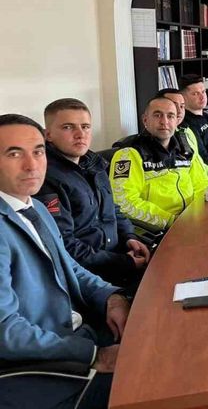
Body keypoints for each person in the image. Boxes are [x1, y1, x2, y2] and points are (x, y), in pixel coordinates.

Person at [0, 114, 130, 409]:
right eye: (14, 154)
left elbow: (68, 266)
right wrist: (92, 354)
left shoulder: (34, 207)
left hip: (79, 334)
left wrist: (111, 296)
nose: (32, 165)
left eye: (38, 152)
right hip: (44, 371)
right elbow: (5, 331)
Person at [34, 99, 148, 289]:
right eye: (68, 127)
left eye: (85, 127)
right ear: (48, 135)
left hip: (120, 258)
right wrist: (123, 262)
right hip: (91, 277)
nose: (80, 134)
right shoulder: (45, 178)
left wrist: (130, 237)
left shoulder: (95, 164)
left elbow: (114, 210)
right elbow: (65, 245)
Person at [110, 96, 208, 231]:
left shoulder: (185, 149)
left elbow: (202, 185)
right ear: (145, 120)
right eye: (157, 115)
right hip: (156, 232)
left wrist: (199, 215)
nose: (164, 122)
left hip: (192, 223)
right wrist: (171, 221)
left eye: (170, 116)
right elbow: (124, 203)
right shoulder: (128, 154)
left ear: (177, 121)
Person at [156, 88, 208, 180]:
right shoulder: (156, 140)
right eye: (174, 105)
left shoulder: (185, 131)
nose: (179, 111)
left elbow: (196, 161)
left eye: (182, 106)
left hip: (203, 184)